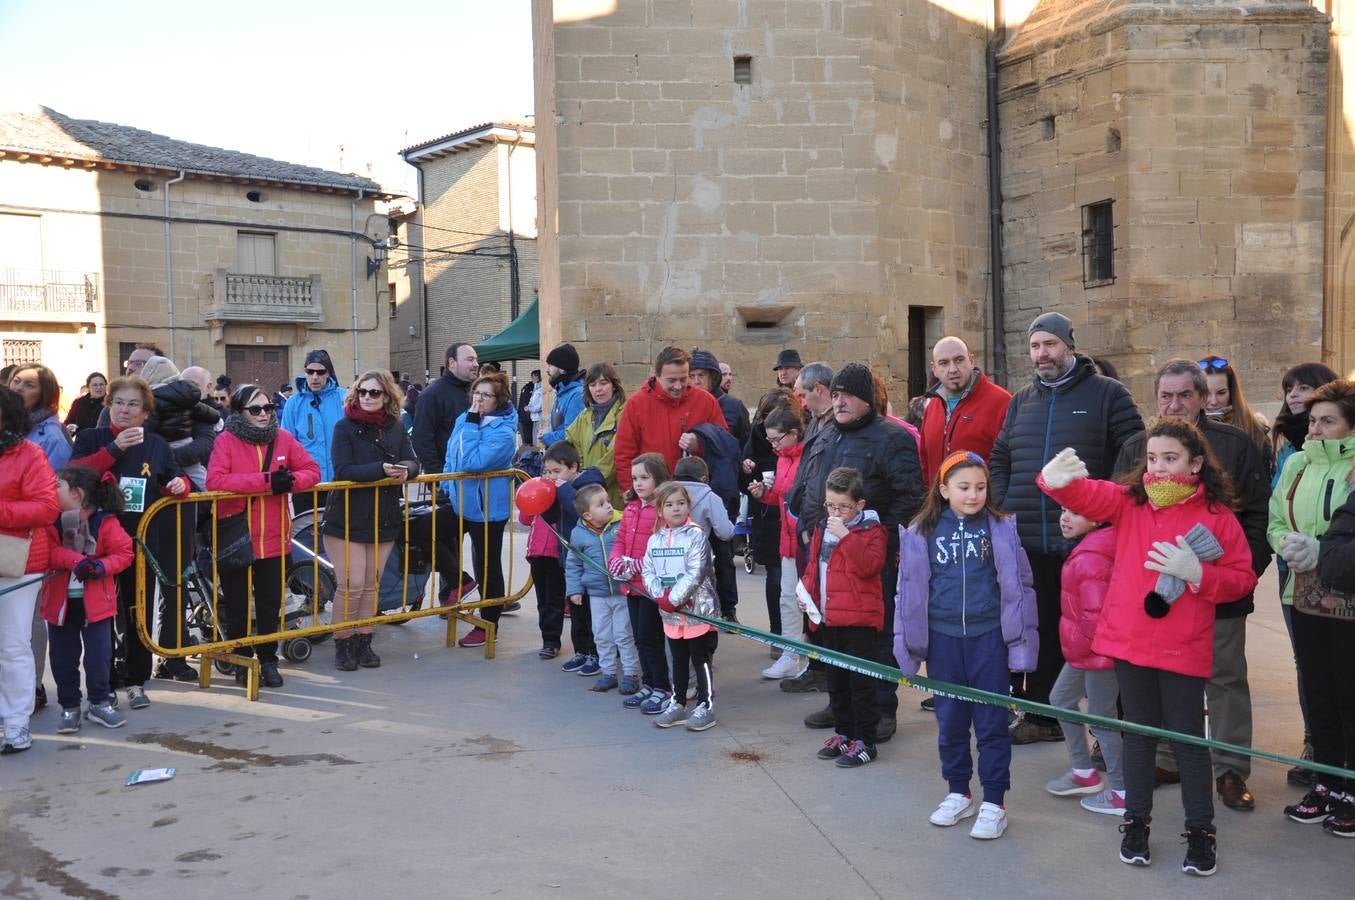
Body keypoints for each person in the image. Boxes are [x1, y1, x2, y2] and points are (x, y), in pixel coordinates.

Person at [1039, 419, 1258, 876]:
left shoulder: (1216, 516)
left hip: (1181, 647)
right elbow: (1089, 496)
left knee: (1187, 742)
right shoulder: (1133, 502)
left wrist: (1199, 574)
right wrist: (1056, 482)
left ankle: (1201, 831)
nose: (1158, 468)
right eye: (1153, 458)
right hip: (1130, 641)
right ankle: (1136, 821)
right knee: (1138, 734)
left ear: (1196, 463)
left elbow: (1240, 576)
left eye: (1170, 458)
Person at [1113, 359, 1271, 809]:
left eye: (1185, 394)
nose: (1175, 403)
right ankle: (1167, 757)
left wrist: (1242, 576)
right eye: (1166, 395)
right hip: (1157, 599)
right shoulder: (1135, 448)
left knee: (1224, 679)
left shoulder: (1235, 444)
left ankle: (1228, 769)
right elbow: (1119, 514)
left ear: (1203, 397)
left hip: (1215, 590)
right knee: (1162, 680)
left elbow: (1257, 514)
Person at [989, 311, 1143, 743]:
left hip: (1088, 543)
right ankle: (1044, 718)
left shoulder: (1108, 394)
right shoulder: (1021, 400)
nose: (1043, 354)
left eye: (1050, 344)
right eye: (1036, 346)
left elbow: (1132, 459)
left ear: (1069, 346)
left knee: (1096, 636)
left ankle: (1114, 730)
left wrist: (1096, 512)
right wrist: (1004, 501)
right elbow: (1001, 455)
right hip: (1031, 541)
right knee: (1040, 630)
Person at [896, 451, 1038, 840]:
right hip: (943, 642)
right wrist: (908, 644)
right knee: (951, 723)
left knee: (992, 723)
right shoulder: (921, 531)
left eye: (980, 487)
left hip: (988, 640)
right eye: (963, 487)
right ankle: (959, 791)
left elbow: (1020, 587)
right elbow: (906, 592)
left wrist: (1021, 645)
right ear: (943, 490)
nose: (973, 495)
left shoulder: (1001, 528)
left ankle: (994, 801)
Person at [786, 363, 924, 740]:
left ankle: (880, 710)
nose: (840, 401)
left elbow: (910, 498)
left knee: (874, 637)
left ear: (866, 399)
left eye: (848, 395)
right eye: (837, 394)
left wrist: (880, 546)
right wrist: (806, 529)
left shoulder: (891, 438)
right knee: (833, 634)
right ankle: (841, 705)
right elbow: (811, 484)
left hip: (869, 559)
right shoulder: (827, 432)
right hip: (826, 554)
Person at [70, 377, 190, 709]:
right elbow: (75, 473)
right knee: (100, 616)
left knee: (138, 611)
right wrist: (114, 449)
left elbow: (174, 477)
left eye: (133, 404)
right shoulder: (91, 437)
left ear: (145, 412)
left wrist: (180, 485)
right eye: (119, 402)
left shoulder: (156, 444)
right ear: (108, 405)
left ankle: (137, 679)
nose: (125, 410)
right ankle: (104, 683)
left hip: (138, 542)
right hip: (96, 543)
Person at [1270, 379, 1355, 795]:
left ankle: (1350, 789)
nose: (1315, 429)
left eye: (1327, 421)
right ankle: (1326, 783)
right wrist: (1287, 545)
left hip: (1348, 592)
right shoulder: (1295, 464)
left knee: (1348, 695)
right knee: (1317, 689)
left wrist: (1320, 549)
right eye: (1313, 420)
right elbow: (1275, 519)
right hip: (1301, 589)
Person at [206, 384, 321, 689]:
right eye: (255, 409)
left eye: (268, 408)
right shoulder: (226, 441)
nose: (263, 414)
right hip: (237, 537)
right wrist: (267, 481)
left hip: (273, 537)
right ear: (240, 412)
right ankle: (243, 660)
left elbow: (312, 470)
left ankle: (269, 660)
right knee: (238, 605)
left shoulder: (283, 438)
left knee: (270, 603)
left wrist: (291, 480)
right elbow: (215, 480)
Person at [321, 371, 419, 672]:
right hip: (347, 517)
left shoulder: (396, 426)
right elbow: (343, 468)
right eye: (363, 391)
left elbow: (414, 460)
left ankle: (364, 639)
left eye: (374, 392)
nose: (367, 397)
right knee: (352, 583)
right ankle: (343, 642)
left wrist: (406, 470)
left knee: (372, 584)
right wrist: (381, 469)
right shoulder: (344, 426)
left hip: (383, 515)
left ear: (387, 396)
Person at [801, 467, 887, 769]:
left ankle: (866, 740)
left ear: (859, 505)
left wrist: (846, 536)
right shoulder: (822, 527)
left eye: (844, 507)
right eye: (830, 505)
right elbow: (815, 566)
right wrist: (808, 595)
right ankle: (844, 733)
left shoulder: (873, 532)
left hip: (860, 622)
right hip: (829, 617)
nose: (835, 512)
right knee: (836, 682)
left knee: (860, 684)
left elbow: (869, 566)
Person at [1046, 508, 1125, 816]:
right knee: (1060, 698)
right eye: (1063, 510)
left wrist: (1078, 645)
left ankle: (1122, 793)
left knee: (1101, 718)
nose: (1065, 517)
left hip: (1098, 653)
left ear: (1097, 519)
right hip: (1085, 651)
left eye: (1076, 512)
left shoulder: (1092, 555)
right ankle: (1084, 772)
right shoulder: (1086, 548)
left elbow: (1096, 617)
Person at [43, 465, 133, 732]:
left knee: (98, 657)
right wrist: (76, 560)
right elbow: (48, 552)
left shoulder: (105, 522)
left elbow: (124, 552)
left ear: (77, 493)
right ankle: (69, 707)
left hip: (96, 605)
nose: (52, 488)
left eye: (58, 485)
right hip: (61, 605)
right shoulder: (51, 520)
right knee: (62, 658)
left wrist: (101, 567)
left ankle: (99, 702)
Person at [0, 385, 59, 753]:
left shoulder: (29, 453)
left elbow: (46, 508)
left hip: (17, 561)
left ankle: (16, 722)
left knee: (12, 644)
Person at [441, 372, 517, 649]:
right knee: (424, 530)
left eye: (486, 395)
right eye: (476, 393)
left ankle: (489, 625)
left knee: (487, 565)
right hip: (460, 501)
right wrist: (449, 487)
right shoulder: (466, 418)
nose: (479, 399)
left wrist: (472, 425)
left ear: (498, 400)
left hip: (488, 510)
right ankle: (459, 580)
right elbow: (452, 455)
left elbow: (473, 462)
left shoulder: (504, 432)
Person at [643, 481, 720, 732]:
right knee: (677, 659)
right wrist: (660, 596)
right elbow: (648, 571)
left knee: (701, 659)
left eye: (681, 503)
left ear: (688, 505)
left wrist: (674, 598)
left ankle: (705, 705)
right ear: (660, 510)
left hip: (697, 611)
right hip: (671, 614)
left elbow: (696, 572)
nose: (676, 509)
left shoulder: (697, 535)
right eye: (669, 504)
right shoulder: (655, 540)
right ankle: (677, 703)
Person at [1304, 475, 1355, 836]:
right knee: (1322, 695)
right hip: (1321, 607)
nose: (1315, 429)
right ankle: (1330, 782)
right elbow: (1334, 557)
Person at [410, 342, 479, 603]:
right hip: (447, 483)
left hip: (476, 483)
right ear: (451, 363)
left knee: (476, 541)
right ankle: (451, 590)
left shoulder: (476, 392)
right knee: (447, 540)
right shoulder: (432, 394)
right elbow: (422, 439)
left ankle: (482, 591)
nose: (475, 364)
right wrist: (441, 479)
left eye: (476, 359)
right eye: (469, 359)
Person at [612, 347, 726, 494]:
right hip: (653, 496)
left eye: (684, 379)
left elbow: (724, 445)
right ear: (657, 376)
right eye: (671, 380)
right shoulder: (636, 404)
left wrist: (700, 444)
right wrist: (632, 494)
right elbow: (624, 455)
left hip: (696, 494)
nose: (678, 386)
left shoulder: (706, 401)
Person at [608, 453, 673, 712]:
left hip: (650, 588)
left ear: (658, 478)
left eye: (644, 477)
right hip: (630, 585)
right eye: (635, 478)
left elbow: (664, 547)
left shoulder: (663, 510)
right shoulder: (632, 508)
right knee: (638, 637)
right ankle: (647, 683)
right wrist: (615, 560)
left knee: (650, 638)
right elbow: (621, 539)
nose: (638, 483)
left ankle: (662, 688)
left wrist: (638, 564)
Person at [747, 406, 807, 680]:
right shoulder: (783, 457)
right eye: (769, 440)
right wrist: (764, 493)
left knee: (808, 601)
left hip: (805, 540)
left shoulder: (806, 456)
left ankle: (807, 658)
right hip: (787, 539)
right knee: (787, 599)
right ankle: (790, 654)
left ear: (793, 433)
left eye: (776, 439)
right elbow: (782, 497)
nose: (772, 445)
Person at [565, 483, 638, 694]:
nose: (608, 506)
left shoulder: (621, 522)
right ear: (588, 515)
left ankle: (631, 674)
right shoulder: (578, 534)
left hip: (622, 591)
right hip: (596, 595)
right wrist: (574, 590)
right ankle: (608, 673)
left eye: (608, 501)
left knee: (624, 634)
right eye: (601, 504)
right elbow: (574, 563)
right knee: (602, 634)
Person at [536, 441, 601, 668]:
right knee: (575, 606)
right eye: (547, 472)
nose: (552, 476)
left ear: (573, 468)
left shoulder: (589, 485)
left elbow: (581, 513)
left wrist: (562, 490)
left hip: (591, 561)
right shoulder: (559, 488)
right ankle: (581, 650)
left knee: (592, 610)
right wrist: (544, 500)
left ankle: (596, 653)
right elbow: (551, 518)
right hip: (569, 559)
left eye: (557, 471)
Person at [919, 337, 1012, 486]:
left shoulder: (1001, 402)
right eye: (944, 363)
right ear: (934, 369)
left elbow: (1011, 464)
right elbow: (925, 464)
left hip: (984, 506)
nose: (953, 369)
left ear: (971, 360)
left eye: (959, 360)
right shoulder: (932, 406)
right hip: (940, 507)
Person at [280, 350, 345, 513]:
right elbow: (286, 443)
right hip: (306, 485)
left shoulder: (344, 398)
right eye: (310, 371)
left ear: (328, 373)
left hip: (340, 483)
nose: (315, 377)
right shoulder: (293, 403)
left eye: (320, 372)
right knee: (307, 535)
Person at [564, 363, 627, 507]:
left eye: (603, 383)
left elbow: (616, 453)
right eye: (592, 385)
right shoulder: (583, 417)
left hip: (613, 496)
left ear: (614, 385)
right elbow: (571, 448)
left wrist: (589, 479)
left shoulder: (624, 414)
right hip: (586, 495)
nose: (598, 389)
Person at [1199, 355, 1272, 472]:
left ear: (1231, 392)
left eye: (1221, 393)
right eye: (1206, 393)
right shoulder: (1186, 430)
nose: (1213, 401)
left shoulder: (1254, 429)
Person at [9, 364, 72, 472]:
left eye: (29, 385)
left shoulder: (53, 439)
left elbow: (51, 485)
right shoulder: (8, 424)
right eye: (16, 381)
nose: (18, 388)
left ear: (44, 394)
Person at [690, 349, 750, 447]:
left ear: (713, 377)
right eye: (691, 376)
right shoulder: (685, 405)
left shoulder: (734, 406)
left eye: (701, 375)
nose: (696, 381)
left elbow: (746, 446)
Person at [540, 343, 587, 446]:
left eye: (551, 365)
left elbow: (572, 433)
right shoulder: (563, 391)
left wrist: (547, 437)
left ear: (562, 368)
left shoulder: (577, 395)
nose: (547, 370)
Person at [792, 362, 834, 446]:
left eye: (803, 396)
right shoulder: (814, 422)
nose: (802, 404)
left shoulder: (843, 422)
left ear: (818, 388)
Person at [517, 370, 540, 446]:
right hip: (525, 418)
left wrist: (529, 409)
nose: (532, 378)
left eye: (533, 376)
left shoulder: (538, 389)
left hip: (531, 418)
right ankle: (527, 456)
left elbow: (538, 405)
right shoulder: (528, 387)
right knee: (527, 441)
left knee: (531, 441)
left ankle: (529, 456)